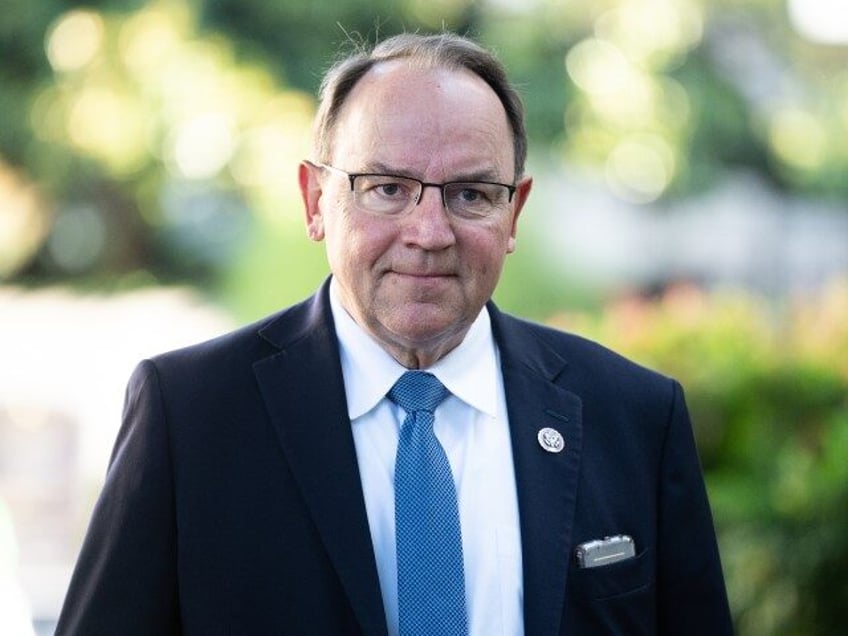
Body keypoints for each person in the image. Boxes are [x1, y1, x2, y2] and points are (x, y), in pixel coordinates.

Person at [56, 32, 733, 635]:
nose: (429, 233)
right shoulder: (191, 416)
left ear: (514, 212)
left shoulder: (634, 416)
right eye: (386, 188)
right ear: (316, 200)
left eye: (471, 194)